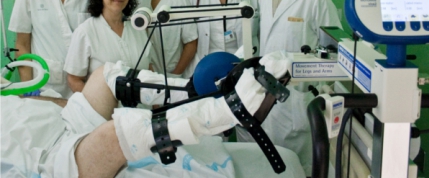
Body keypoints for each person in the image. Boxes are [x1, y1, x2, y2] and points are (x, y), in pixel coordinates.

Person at [1, 52, 299, 178]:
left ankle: (196, 91)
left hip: (63, 125)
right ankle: (225, 110)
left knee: (107, 75)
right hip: (53, 165)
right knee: (114, 134)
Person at [245, 0, 342, 174]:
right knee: (271, 168)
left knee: (300, 169)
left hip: (297, 103)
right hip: (267, 99)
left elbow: (336, 55)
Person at [64, 0, 156, 92]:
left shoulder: (138, 29)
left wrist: (158, 108)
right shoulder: (85, 32)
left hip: (142, 110)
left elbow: (149, 71)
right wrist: (95, 107)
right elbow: (73, 79)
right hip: (103, 110)